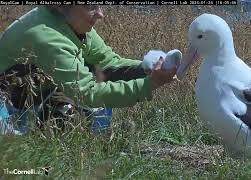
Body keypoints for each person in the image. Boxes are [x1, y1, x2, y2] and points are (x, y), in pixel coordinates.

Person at [0, 5, 177, 135]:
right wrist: (151, 83)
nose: (100, 14)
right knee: (72, 113)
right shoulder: (47, 38)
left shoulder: (70, 21)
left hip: (36, 93)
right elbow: (87, 93)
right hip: (10, 107)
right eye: (91, 6)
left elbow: (109, 63)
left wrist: (147, 68)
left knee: (97, 73)